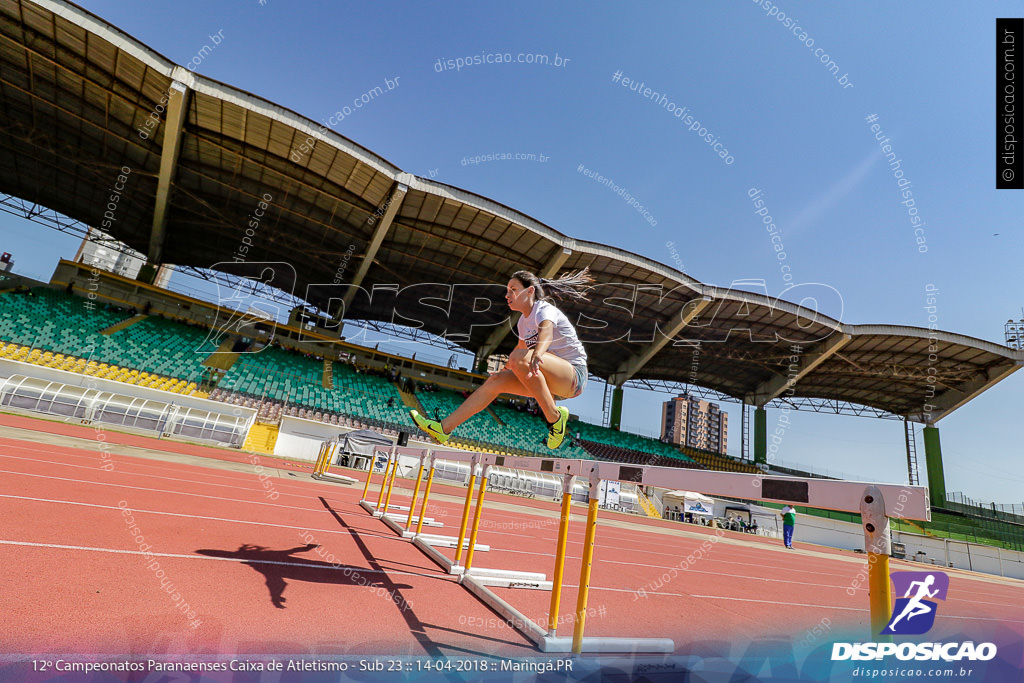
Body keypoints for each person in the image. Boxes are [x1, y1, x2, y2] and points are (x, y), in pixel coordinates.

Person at [410, 267, 593, 450]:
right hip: (547, 379)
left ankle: (555, 418)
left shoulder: (544, 309)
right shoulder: (523, 322)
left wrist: (537, 353)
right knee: (495, 381)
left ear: (530, 291)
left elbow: (546, 333)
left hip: (573, 377)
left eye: (513, 290)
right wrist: (505, 370)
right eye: (507, 290)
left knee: (519, 358)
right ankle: (444, 428)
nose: (507, 295)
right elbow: (520, 349)